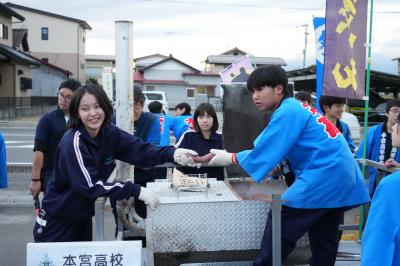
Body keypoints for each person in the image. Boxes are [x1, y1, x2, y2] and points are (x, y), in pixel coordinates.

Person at [208, 66, 370, 265]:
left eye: (260, 90)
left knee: (281, 218)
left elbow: (265, 150)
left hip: (323, 176)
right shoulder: (298, 107)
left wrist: (229, 157)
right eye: (252, 92)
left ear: (278, 89)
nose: (255, 97)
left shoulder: (288, 110)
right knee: (324, 239)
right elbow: (286, 148)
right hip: (341, 177)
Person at [33, 84, 197, 242]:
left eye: (97, 106)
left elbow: (138, 149)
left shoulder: (108, 132)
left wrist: (172, 153)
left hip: (80, 218)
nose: (93, 113)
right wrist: (135, 190)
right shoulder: (74, 142)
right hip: (57, 222)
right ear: (76, 112)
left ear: (105, 107)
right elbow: (91, 186)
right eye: (85, 109)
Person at [111, 86, 161, 222]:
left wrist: (122, 158)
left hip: (144, 180)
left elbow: (150, 156)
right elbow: (109, 154)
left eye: (136, 105)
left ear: (142, 105)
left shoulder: (151, 120)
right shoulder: (113, 120)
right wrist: (138, 159)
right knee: (121, 222)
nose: (131, 109)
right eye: (128, 105)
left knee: (144, 222)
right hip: (118, 180)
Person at [30, 79, 81, 199]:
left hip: (77, 176)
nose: (63, 99)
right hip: (51, 175)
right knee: (53, 213)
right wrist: (36, 179)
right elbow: (39, 151)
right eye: (61, 95)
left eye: (69, 97)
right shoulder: (47, 120)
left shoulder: (82, 119)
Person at [361, 111, 400, 265]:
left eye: (398, 122)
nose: (394, 126)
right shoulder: (375, 131)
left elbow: (378, 242)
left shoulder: (392, 185)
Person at [356, 99, 400, 195]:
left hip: (396, 181)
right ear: (387, 113)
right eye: (395, 110)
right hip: (375, 178)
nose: (398, 114)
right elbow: (361, 155)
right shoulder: (374, 131)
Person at [175, 102, 224, 180]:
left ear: (214, 119)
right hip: (190, 183)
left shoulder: (221, 138)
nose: (205, 121)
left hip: (216, 183)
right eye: (201, 117)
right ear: (196, 119)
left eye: (208, 117)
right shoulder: (188, 135)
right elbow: (175, 154)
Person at [148, 100, 175, 179]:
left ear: (149, 110)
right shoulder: (169, 118)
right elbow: (175, 128)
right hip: (164, 150)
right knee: (162, 174)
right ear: (161, 109)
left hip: (150, 149)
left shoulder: (147, 118)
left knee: (150, 173)